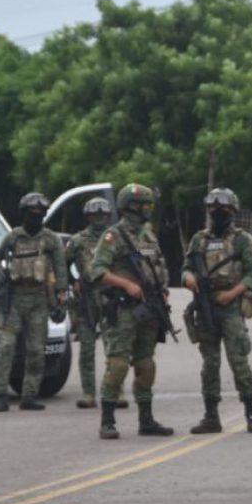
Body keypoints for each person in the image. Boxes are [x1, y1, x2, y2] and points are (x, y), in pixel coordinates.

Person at [90, 183, 174, 439]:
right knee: (117, 365)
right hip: (123, 309)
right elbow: (97, 271)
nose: (149, 210)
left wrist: (162, 290)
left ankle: (146, 420)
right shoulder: (113, 236)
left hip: (148, 309)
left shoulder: (149, 236)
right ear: (132, 207)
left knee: (146, 364)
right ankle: (107, 420)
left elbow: (158, 265)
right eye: (145, 205)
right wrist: (126, 284)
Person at [182, 188, 252, 435]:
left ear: (233, 212)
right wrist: (188, 278)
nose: (218, 213)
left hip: (231, 307)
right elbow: (186, 266)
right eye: (213, 209)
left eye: (224, 210)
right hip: (205, 306)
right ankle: (211, 416)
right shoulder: (199, 239)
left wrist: (232, 293)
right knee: (210, 364)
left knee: (238, 360)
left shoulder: (242, 239)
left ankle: (251, 413)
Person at [0, 192, 67, 413]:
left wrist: (62, 295)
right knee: (5, 348)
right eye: (32, 213)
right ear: (24, 214)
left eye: (40, 213)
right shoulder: (13, 237)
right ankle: (0, 395)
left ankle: (29, 395)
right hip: (14, 300)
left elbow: (61, 268)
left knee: (36, 350)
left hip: (39, 301)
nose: (36, 217)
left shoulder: (51, 239)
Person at [64, 197, 129, 410]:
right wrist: (73, 282)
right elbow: (61, 263)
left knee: (114, 347)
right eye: (95, 215)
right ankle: (89, 393)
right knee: (87, 349)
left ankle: (116, 392)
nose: (99, 219)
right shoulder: (78, 240)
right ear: (88, 216)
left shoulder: (116, 238)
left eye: (103, 215)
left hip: (110, 297)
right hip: (86, 299)